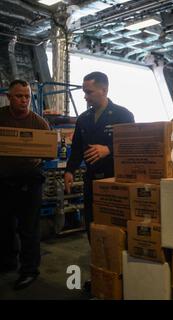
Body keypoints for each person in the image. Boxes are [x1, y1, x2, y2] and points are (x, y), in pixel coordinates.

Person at [64, 72, 134, 242]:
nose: (85, 97)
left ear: (104, 90)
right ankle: (97, 255)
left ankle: (116, 258)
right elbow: (77, 149)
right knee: (91, 220)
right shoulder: (83, 119)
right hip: (91, 179)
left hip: (114, 179)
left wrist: (109, 149)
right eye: (84, 92)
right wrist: (69, 171)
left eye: (89, 92)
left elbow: (132, 148)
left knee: (115, 222)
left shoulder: (123, 115)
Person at [0, 80, 50, 290]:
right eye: (19, 96)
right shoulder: (1, 117)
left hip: (30, 185)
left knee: (29, 230)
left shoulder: (39, 123)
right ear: (9, 97)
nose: (24, 100)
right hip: (3, 183)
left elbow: (48, 151)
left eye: (27, 96)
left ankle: (29, 270)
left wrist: (40, 157)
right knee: (3, 227)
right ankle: (7, 262)